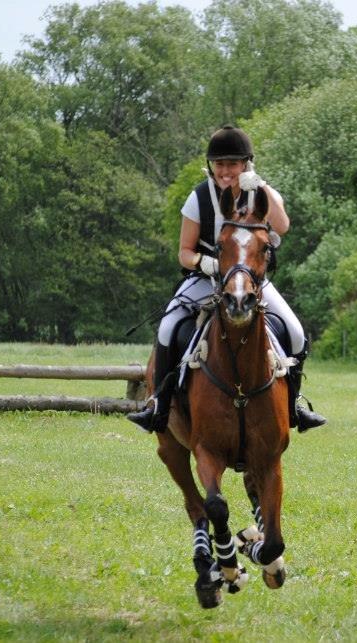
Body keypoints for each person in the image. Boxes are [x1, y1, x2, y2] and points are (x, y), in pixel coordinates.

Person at [126, 126, 326, 433]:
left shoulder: (260, 192)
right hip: (206, 279)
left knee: (296, 333)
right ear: (211, 166)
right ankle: (158, 405)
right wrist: (207, 263)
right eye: (219, 164)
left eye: (232, 164)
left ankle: (294, 405)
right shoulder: (199, 198)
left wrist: (259, 185)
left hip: (250, 282)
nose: (225, 171)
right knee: (167, 328)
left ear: (246, 163)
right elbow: (184, 253)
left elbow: (282, 225)